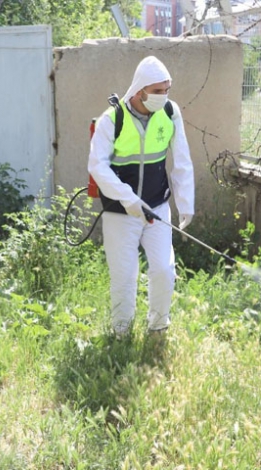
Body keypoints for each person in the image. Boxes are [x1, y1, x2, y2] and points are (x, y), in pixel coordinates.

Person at [88, 55, 194, 338]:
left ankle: (158, 328)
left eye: (167, 90)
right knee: (124, 276)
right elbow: (97, 165)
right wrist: (128, 199)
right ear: (140, 91)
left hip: (157, 208)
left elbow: (182, 161)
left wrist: (186, 205)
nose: (164, 96)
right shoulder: (112, 120)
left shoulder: (170, 113)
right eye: (158, 91)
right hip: (120, 213)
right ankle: (121, 334)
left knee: (163, 269)